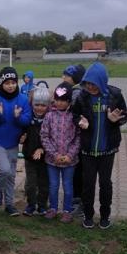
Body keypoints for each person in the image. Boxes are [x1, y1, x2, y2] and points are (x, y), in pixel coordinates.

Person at [71, 62, 127, 229]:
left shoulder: (115, 95)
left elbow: (124, 116)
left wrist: (116, 120)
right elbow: (74, 115)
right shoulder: (82, 96)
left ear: (102, 81)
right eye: (87, 83)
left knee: (105, 183)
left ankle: (105, 216)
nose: (90, 87)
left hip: (107, 149)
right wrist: (79, 121)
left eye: (94, 84)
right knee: (88, 184)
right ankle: (88, 216)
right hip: (88, 149)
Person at [0, 66, 32, 216]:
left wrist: (18, 116)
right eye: (7, 83)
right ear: (1, 84)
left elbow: (26, 121)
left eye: (13, 82)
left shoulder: (23, 99)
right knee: (5, 169)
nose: (11, 85)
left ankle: (10, 204)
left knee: (11, 175)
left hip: (13, 142)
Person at [40, 82, 80, 223]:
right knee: (53, 185)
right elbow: (44, 136)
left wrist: (70, 155)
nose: (60, 103)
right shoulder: (49, 116)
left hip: (70, 161)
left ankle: (67, 210)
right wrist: (54, 154)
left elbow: (78, 138)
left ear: (69, 101)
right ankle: (53, 208)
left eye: (63, 100)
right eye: (57, 100)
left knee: (68, 186)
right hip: (52, 160)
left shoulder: (74, 117)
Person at [21, 86, 51, 216]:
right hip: (29, 157)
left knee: (44, 183)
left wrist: (42, 149)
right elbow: (21, 131)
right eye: (37, 104)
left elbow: (53, 138)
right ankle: (31, 205)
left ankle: (42, 205)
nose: (39, 108)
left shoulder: (50, 119)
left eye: (43, 105)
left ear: (48, 106)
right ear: (32, 104)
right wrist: (21, 137)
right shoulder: (28, 118)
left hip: (45, 158)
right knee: (31, 184)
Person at [62, 64, 86, 214]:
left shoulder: (76, 93)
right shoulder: (79, 91)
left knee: (78, 170)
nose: (63, 78)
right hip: (78, 137)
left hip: (77, 137)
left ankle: (78, 199)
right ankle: (77, 197)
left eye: (66, 76)